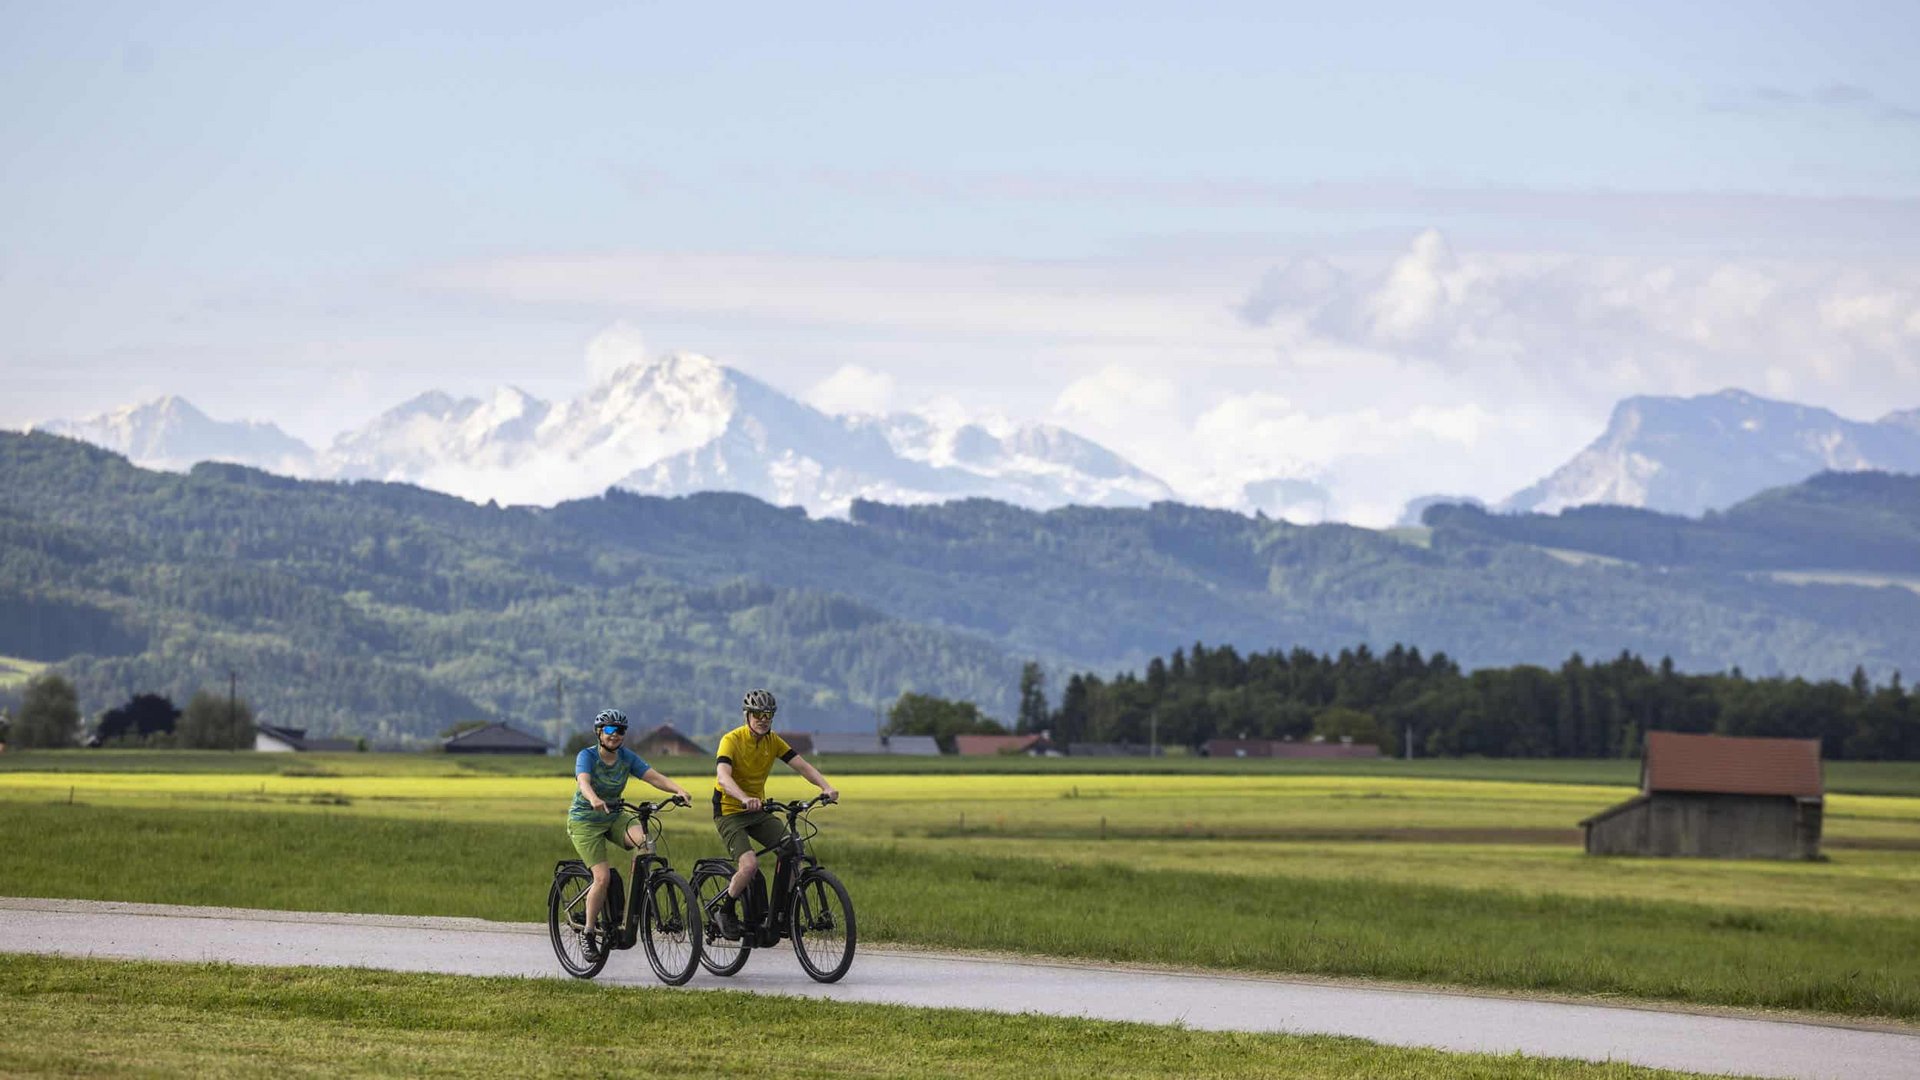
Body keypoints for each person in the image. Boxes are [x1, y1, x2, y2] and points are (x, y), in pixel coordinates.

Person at [711, 688, 838, 938]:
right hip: (730, 811)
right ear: (747, 715)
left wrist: (826, 787)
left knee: (792, 849)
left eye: (768, 714)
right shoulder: (731, 740)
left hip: (757, 810)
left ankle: (781, 915)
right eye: (757, 713)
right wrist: (745, 798)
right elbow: (723, 778)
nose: (763, 719)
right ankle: (725, 911)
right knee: (749, 865)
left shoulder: (773, 741)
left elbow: (802, 766)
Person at [569, 708, 693, 961]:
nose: (615, 735)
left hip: (614, 815)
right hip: (585, 821)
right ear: (599, 733)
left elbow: (653, 777)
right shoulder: (587, 756)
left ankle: (643, 894)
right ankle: (589, 933)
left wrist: (678, 790)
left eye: (621, 730)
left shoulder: (626, 757)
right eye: (610, 730)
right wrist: (593, 798)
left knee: (646, 843)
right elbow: (583, 782)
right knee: (601, 878)